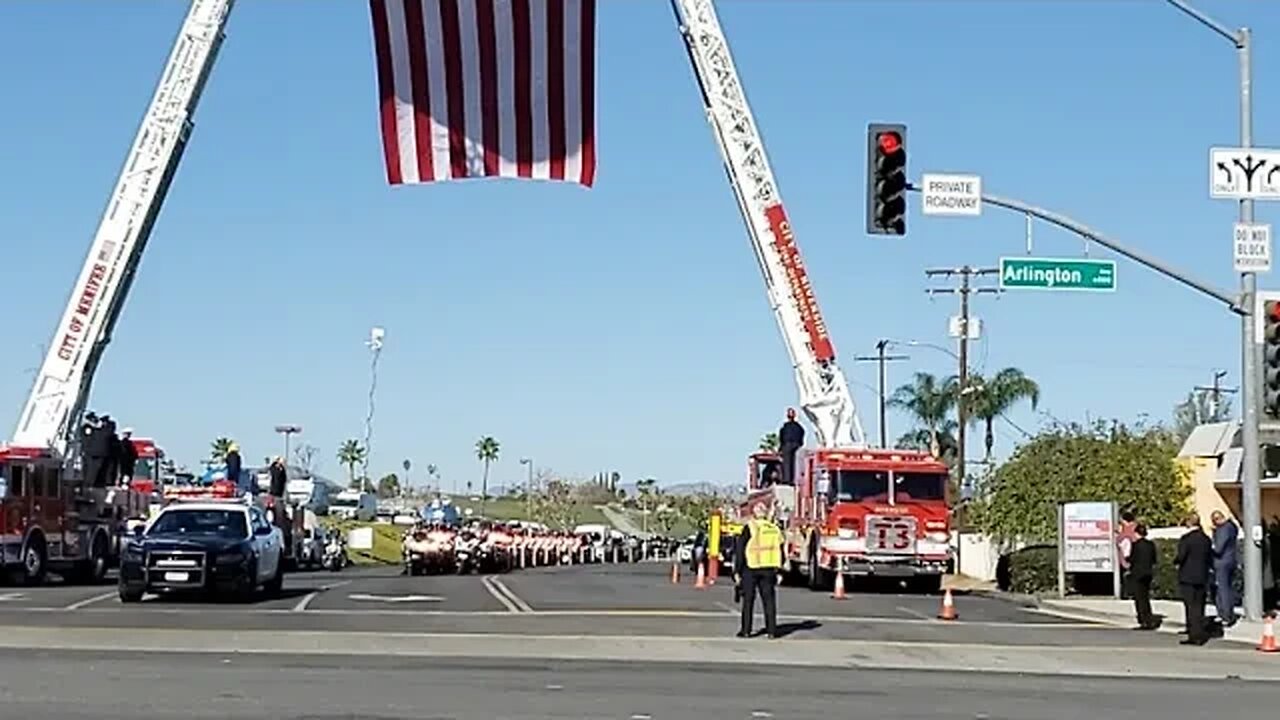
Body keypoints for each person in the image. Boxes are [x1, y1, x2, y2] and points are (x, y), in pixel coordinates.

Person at [734, 502, 784, 639]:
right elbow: (780, 550)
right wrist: (779, 570)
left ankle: (746, 630)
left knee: (748, 600)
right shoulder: (774, 528)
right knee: (769, 601)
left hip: (751, 567)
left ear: (754, 513)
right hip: (769, 568)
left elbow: (740, 550)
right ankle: (772, 631)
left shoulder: (750, 527)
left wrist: (737, 571)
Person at [1174, 513, 1213, 646]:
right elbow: (1209, 558)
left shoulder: (1186, 539)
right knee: (1199, 605)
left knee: (1190, 606)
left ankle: (1194, 634)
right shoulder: (1206, 539)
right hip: (1202, 575)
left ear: (1189, 523)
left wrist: (1176, 562)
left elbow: (1181, 556)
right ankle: (1200, 632)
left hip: (1188, 576)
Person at [1210, 510, 1239, 627]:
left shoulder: (1223, 530)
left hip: (1222, 562)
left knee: (1223, 589)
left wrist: (1211, 543)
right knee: (1228, 588)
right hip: (1231, 560)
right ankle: (1227, 613)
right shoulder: (1232, 527)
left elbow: (1218, 549)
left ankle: (1225, 615)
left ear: (1217, 519)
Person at [1127, 523, 1158, 630]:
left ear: (1136, 533)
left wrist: (1128, 559)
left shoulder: (1136, 545)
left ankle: (1144, 620)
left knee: (1139, 599)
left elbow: (1132, 559)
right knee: (1146, 597)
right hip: (1148, 573)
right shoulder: (1151, 545)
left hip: (1138, 574)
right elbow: (1154, 559)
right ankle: (1149, 619)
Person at [777, 408, 805, 487]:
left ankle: (787, 480)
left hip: (789, 445)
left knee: (787, 463)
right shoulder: (799, 427)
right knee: (794, 463)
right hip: (795, 445)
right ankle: (792, 479)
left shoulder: (785, 427)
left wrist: (781, 447)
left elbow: (782, 438)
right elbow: (802, 436)